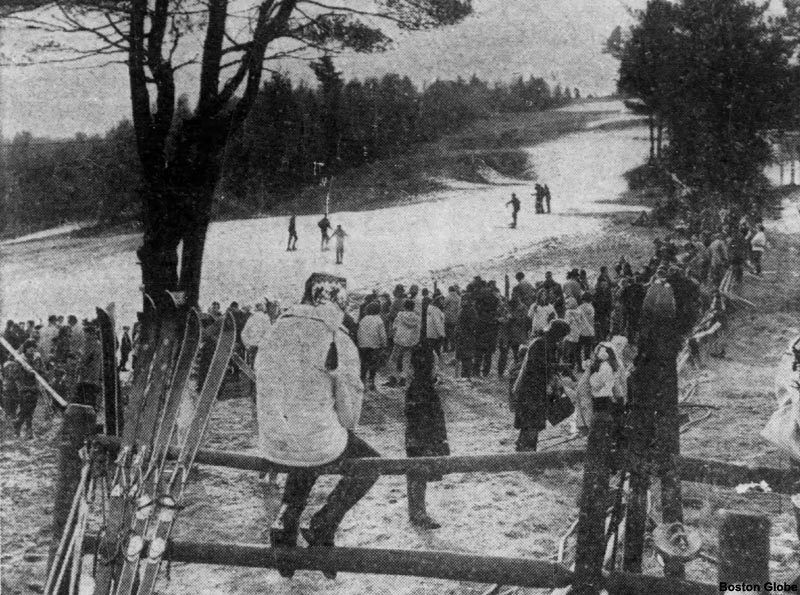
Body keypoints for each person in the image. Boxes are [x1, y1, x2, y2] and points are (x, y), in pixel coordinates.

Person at [257, 273, 380, 578]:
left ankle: (286, 518)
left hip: (274, 439)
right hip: (314, 439)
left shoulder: (277, 328)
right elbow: (350, 416)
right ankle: (325, 522)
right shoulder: (337, 337)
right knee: (370, 463)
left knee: (305, 443)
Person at [405, 344, 449, 529]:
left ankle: (416, 510)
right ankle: (418, 512)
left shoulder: (416, 387)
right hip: (424, 439)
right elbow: (433, 419)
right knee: (419, 472)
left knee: (416, 472)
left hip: (416, 438)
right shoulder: (425, 390)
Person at [510, 320, 571, 451]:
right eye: (562, 336)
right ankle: (528, 450)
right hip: (531, 389)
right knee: (532, 422)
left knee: (531, 422)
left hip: (536, 388)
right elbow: (536, 366)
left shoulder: (547, 344)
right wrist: (558, 367)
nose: (562, 339)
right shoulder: (540, 344)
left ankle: (524, 447)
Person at [388, 300, 421, 387]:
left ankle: (393, 377)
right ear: (413, 307)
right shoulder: (417, 318)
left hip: (399, 340)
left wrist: (392, 334)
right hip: (409, 342)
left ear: (404, 306)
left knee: (393, 359)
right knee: (406, 359)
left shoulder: (400, 315)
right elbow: (417, 330)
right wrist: (415, 341)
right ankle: (403, 378)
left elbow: (394, 326)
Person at [14, 340, 43, 439]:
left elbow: (42, 371)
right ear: (25, 348)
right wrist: (21, 387)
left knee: (30, 410)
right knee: (25, 409)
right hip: (24, 388)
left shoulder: (37, 358)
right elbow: (16, 375)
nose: (32, 349)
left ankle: (20, 426)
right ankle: (25, 429)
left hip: (35, 387)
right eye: (30, 347)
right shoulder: (20, 360)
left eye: (33, 347)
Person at [357, 301, 387, 391]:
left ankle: (362, 381)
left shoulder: (364, 319)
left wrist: (359, 343)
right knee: (373, 364)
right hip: (375, 346)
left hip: (363, 345)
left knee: (363, 364)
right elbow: (382, 334)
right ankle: (371, 381)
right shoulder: (379, 320)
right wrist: (384, 344)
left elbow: (359, 332)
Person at [75, 324, 103, 410]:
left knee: (87, 397)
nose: (84, 335)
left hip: (89, 375)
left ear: (90, 333)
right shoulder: (93, 343)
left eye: (85, 333)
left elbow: (87, 358)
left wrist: (80, 365)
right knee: (86, 397)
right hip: (89, 375)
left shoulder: (93, 344)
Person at [455, 293, 478, 382]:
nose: (464, 302)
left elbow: (473, 325)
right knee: (461, 357)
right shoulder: (462, 310)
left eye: (465, 300)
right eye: (463, 300)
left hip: (467, 337)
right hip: (461, 338)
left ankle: (466, 376)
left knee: (467, 358)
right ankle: (462, 376)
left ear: (469, 301)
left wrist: (464, 333)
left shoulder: (471, 311)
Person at [443, 286, 461, 352]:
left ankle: (445, 348)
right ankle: (453, 347)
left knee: (446, 334)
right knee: (453, 333)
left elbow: (443, 305)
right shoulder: (459, 298)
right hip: (456, 318)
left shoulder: (448, 297)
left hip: (448, 318)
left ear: (449, 290)